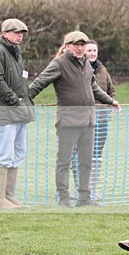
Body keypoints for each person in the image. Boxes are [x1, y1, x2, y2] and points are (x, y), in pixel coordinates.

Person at [29, 31, 120, 207]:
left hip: (88, 121)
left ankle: (84, 198)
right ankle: (63, 198)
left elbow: (93, 87)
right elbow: (40, 82)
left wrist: (110, 101)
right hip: (68, 122)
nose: (80, 48)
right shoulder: (59, 63)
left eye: (82, 45)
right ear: (67, 46)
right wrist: (25, 99)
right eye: (76, 45)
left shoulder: (86, 64)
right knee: (64, 161)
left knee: (86, 161)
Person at [0, 18, 36, 209]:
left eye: (22, 33)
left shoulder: (16, 52)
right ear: (4, 33)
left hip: (20, 112)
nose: (20, 36)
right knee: (4, 155)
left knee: (18, 153)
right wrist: (14, 100)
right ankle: (0, 200)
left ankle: (9, 196)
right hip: (6, 111)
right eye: (16, 32)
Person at [86, 39, 115, 201]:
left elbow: (111, 89)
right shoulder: (80, 69)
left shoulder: (103, 70)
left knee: (97, 155)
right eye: (89, 50)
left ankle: (93, 188)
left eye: (94, 51)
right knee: (83, 154)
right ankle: (82, 188)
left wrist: (111, 103)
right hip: (85, 119)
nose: (92, 53)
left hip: (102, 119)